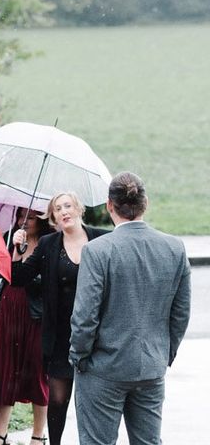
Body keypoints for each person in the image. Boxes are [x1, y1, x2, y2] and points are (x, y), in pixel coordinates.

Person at [70, 172, 191, 444]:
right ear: (145, 203)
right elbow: (180, 313)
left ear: (109, 205)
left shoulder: (97, 251)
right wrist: (164, 353)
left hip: (103, 366)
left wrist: (79, 355)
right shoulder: (174, 248)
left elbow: (85, 315)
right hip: (151, 365)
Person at [11, 192, 108, 445]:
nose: (63, 211)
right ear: (52, 217)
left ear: (78, 209)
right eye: (57, 209)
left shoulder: (102, 238)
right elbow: (19, 278)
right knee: (57, 400)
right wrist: (17, 249)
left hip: (97, 333)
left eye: (67, 206)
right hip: (60, 334)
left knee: (93, 402)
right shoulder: (48, 244)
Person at [0, 209, 53, 445]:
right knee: (4, 370)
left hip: (36, 314)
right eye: (20, 216)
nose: (23, 221)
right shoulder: (11, 239)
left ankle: (38, 434)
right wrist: (14, 249)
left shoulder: (50, 243)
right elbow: (1, 272)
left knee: (37, 371)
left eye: (31, 217)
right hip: (9, 310)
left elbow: (52, 279)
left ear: (43, 220)